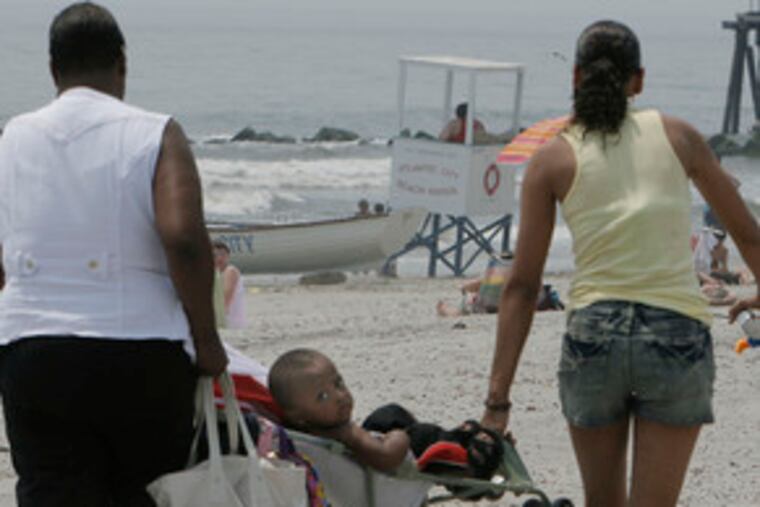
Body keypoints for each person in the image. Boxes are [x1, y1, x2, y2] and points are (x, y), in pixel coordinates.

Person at [480, 20, 760, 507]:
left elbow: (522, 288)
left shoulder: (551, 159)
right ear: (639, 80)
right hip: (674, 335)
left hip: (595, 337)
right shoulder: (679, 137)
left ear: (575, 76)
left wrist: (497, 403)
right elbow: (750, 236)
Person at [0, 3, 228, 505]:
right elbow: (185, 240)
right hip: (140, 347)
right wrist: (207, 339)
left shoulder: (12, 137)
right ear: (122, 63)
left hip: (33, 351)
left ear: (53, 69)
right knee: (143, 494)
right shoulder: (156, 132)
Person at [268, 348, 411, 472]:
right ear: (298, 417)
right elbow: (386, 457)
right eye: (322, 397)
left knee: (388, 414)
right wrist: (400, 436)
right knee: (417, 429)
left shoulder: (301, 436)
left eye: (338, 383)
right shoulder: (346, 433)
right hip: (390, 469)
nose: (340, 396)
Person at [213, 240, 247, 329]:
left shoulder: (230, 270)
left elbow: (225, 299)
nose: (219, 258)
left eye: (222, 255)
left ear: (228, 256)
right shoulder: (216, 274)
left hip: (230, 322)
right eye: (215, 256)